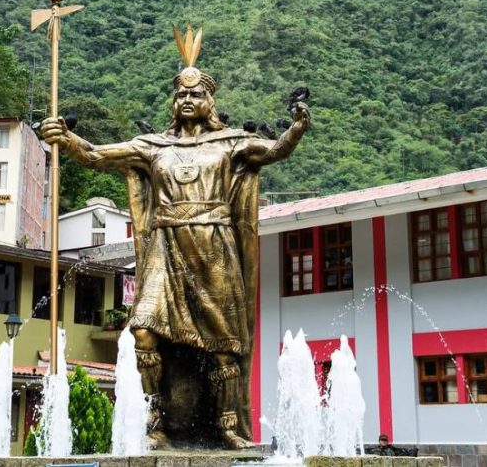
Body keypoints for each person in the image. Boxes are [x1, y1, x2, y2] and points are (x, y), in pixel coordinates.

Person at [42, 26, 309, 449]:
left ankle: (228, 427)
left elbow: (274, 151)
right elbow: (95, 155)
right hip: (165, 251)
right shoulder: (152, 147)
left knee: (224, 345)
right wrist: (66, 138)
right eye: (181, 95)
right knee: (143, 332)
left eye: (196, 94)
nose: (188, 100)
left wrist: (295, 128)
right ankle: (156, 421)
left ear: (209, 101)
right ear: (174, 101)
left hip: (214, 249)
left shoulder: (232, 142)